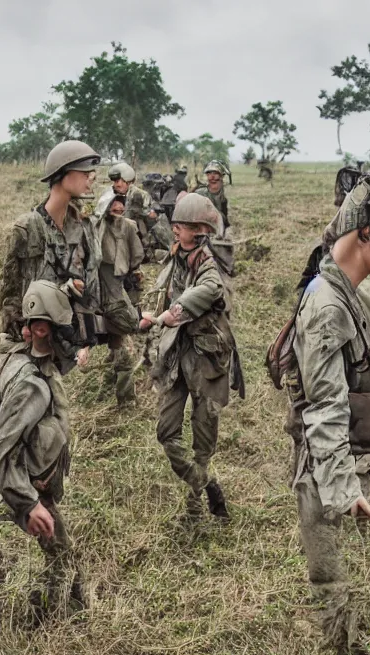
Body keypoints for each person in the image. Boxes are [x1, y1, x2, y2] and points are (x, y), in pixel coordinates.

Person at [283, 174, 370, 655]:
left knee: (351, 577)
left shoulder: (354, 294)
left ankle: (348, 651)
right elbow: (324, 409)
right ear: (364, 235)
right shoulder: (326, 307)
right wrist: (343, 489)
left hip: (351, 460)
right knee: (332, 576)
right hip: (325, 467)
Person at [0, 280, 86, 628]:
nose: (72, 342)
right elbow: (0, 451)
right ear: (39, 329)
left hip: (24, 478)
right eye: (63, 332)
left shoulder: (27, 357)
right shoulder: (30, 384)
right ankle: (52, 628)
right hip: (16, 483)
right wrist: (29, 503)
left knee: (56, 558)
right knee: (59, 561)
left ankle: (32, 614)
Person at [141, 193, 237, 520]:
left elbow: (210, 289)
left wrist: (176, 310)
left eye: (181, 226)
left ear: (198, 230)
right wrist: (153, 316)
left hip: (206, 360)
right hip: (176, 353)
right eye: (176, 225)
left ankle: (196, 507)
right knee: (166, 432)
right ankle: (206, 484)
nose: (175, 230)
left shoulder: (209, 263)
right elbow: (163, 290)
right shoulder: (177, 256)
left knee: (202, 438)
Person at [0, 140, 102, 345]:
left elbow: (92, 280)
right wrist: (20, 329)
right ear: (63, 173)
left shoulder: (83, 226)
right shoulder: (28, 227)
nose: (90, 180)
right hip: (33, 334)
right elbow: (9, 290)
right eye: (84, 173)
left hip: (68, 334)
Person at [97, 194, 144, 406]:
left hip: (118, 285)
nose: (118, 207)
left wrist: (132, 278)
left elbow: (136, 257)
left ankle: (125, 397)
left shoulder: (129, 226)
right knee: (114, 338)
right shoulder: (95, 226)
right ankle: (111, 381)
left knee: (122, 336)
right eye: (113, 204)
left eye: (121, 204)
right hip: (98, 285)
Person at [107, 162, 158, 259]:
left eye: (117, 181)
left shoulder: (140, 195)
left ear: (127, 181)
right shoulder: (111, 194)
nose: (115, 185)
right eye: (113, 182)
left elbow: (150, 218)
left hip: (137, 235)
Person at [194, 160, 231, 232]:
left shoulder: (227, 194)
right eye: (209, 173)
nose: (212, 176)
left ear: (222, 176)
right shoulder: (200, 193)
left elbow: (230, 220)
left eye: (216, 173)